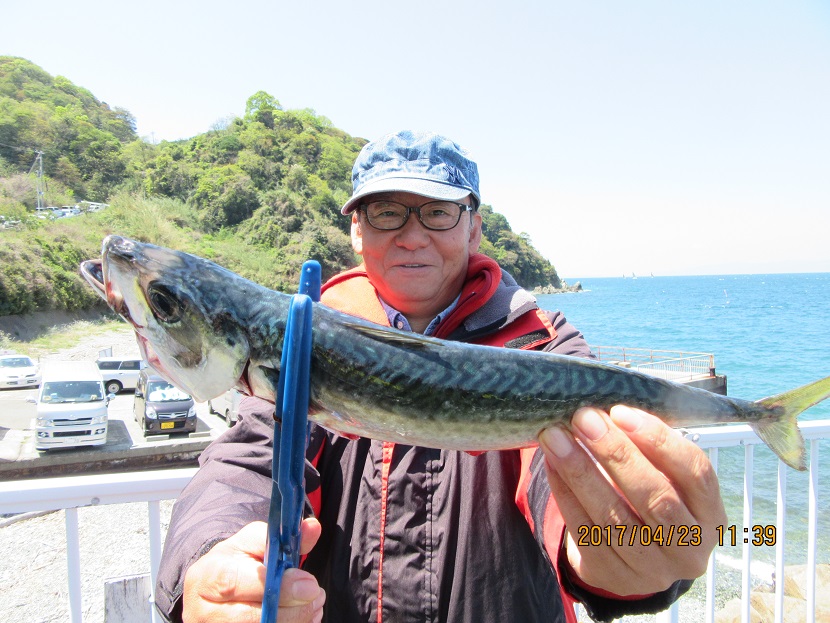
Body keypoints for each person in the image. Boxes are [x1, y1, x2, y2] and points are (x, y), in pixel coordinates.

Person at [155, 130, 726, 623]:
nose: (412, 235)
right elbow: (248, 462)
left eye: (438, 212)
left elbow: (562, 477)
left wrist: (616, 551)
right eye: (386, 212)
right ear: (356, 231)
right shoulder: (302, 343)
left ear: (473, 229)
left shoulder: (546, 344)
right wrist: (210, 559)